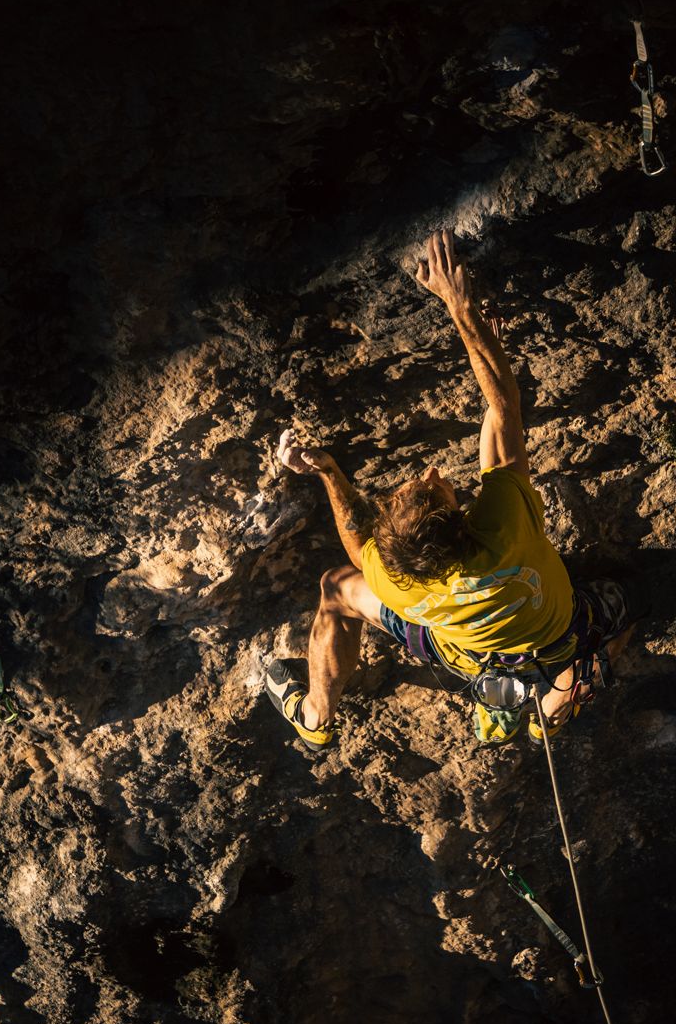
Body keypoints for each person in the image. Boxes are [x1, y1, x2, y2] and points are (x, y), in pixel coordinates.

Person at [264, 228, 629, 754]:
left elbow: (356, 539)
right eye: (431, 489)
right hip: (553, 641)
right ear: (462, 525)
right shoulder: (504, 532)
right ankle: (548, 713)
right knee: (618, 603)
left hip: (460, 654)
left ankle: (316, 718)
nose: (432, 472)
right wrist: (461, 309)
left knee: (336, 589)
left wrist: (327, 470)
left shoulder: (393, 580)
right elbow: (503, 409)